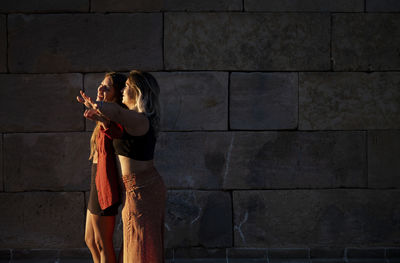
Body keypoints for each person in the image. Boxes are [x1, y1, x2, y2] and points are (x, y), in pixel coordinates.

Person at [79, 70, 166, 263]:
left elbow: (117, 112)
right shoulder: (131, 119)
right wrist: (101, 118)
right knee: (133, 243)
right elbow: (115, 129)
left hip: (144, 190)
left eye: (127, 87)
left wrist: (98, 105)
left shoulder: (140, 119)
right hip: (134, 189)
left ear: (138, 92)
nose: (123, 91)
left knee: (140, 245)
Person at [77, 72, 127, 263]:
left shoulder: (118, 115)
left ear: (117, 94)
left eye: (107, 87)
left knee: (102, 242)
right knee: (90, 240)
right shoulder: (105, 114)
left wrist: (101, 118)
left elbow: (118, 133)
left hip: (106, 182)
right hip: (96, 179)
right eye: (100, 84)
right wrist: (97, 112)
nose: (100, 89)